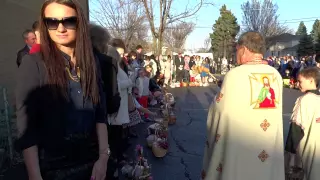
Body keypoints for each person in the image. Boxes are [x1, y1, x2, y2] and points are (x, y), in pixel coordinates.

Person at [15, 1, 109, 180]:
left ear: (79, 23)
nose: (60, 28)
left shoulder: (92, 62)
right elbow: (27, 130)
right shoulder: (33, 63)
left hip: (93, 163)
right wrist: (35, 177)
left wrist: (104, 157)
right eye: (52, 22)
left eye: (68, 21)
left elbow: (100, 114)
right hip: (54, 168)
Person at [201, 31, 284, 180]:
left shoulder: (235, 75)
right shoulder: (275, 75)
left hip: (241, 146)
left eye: (237, 49)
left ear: (244, 49)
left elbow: (221, 110)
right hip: (267, 145)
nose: (236, 53)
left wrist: (216, 100)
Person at [285, 67, 320, 180]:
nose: (297, 84)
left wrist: (289, 155)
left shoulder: (304, 100)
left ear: (311, 80)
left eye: (300, 81)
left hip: (307, 153)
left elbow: (296, 129)